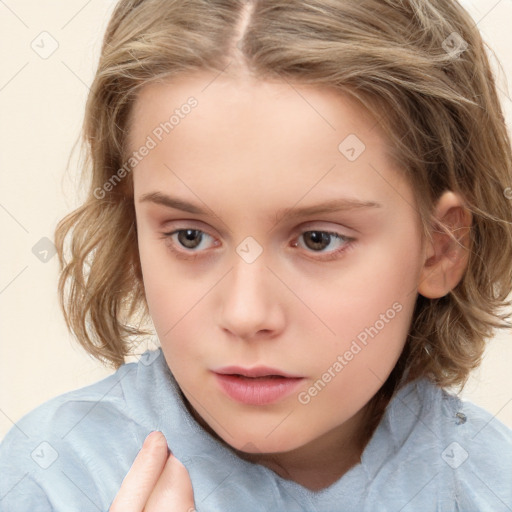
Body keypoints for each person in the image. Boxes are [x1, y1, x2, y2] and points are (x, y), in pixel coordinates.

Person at [1, 0, 512, 510]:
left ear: (441, 248)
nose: (246, 314)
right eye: (190, 237)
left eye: (318, 240)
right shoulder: (50, 478)